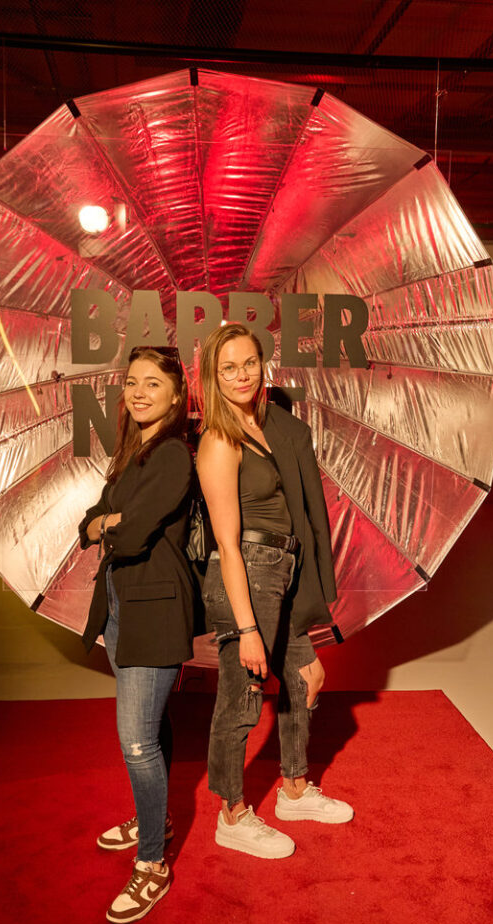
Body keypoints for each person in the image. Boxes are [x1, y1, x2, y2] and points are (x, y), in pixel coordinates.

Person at [196, 322, 353, 860]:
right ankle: (232, 814)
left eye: (249, 363)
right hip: (247, 575)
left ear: (262, 364)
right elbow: (227, 543)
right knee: (240, 699)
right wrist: (246, 628)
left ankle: (293, 789)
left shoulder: (266, 427)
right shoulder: (220, 440)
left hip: (280, 572)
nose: (242, 375)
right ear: (212, 377)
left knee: (306, 679)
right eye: (228, 368)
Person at [79, 346, 194, 923]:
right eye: (132, 382)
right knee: (152, 725)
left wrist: (111, 524)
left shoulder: (172, 455)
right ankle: (159, 819)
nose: (140, 392)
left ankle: (152, 863)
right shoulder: (132, 454)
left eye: (153, 383)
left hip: (155, 609)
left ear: (176, 396)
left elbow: (131, 536)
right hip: (121, 606)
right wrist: (108, 521)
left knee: (136, 741)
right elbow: (89, 524)